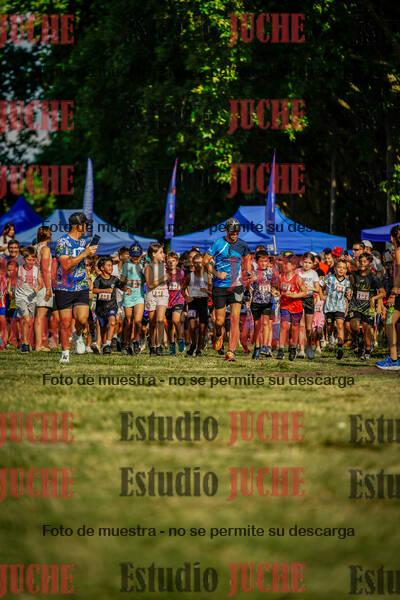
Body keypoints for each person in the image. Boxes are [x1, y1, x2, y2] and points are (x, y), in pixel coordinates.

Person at [203, 217, 251, 361]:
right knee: (219, 321)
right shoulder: (218, 243)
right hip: (219, 286)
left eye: (237, 232)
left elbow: (247, 260)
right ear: (226, 230)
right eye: (232, 232)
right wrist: (217, 274)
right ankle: (218, 334)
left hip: (236, 286)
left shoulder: (242, 244)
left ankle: (231, 351)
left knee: (235, 319)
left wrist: (248, 273)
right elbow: (205, 261)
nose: (234, 234)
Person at [53, 212, 98, 364]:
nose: (87, 227)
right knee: (65, 323)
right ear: (79, 226)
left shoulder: (83, 241)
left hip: (81, 286)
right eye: (85, 224)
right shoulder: (62, 242)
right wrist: (85, 253)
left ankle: (78, 335)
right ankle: (65, 353)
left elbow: (83, 261)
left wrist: (89, 253)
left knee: (83, 319)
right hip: (64, 287)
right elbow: (66, 265)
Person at [348, 252, 385, 360]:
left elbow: (383, 293)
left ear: (370, 263)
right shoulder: (354, 275)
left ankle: (367, 351)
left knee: (367, 329)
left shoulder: (373, 277)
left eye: (365, 261)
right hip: (355, 305)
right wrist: (350, 291)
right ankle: (360, 339)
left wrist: (374, 298)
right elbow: (351, 286)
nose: (362, 263)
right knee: (353, 326)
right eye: (360, 261)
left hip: (368, 307)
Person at [92, 256, 128, 354]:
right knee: (103, 328)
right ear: (102, 268)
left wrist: (127, 289)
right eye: (108, 265)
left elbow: (121, 286)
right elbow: (94, 290)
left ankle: (108, 344)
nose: (111, 267)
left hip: (112, 306)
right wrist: (105, 290)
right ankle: (104, 345)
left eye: (111, 265)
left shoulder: (114, 279)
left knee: (112, 322)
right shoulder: (98, 280)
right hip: (101, 308)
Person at [376, 225, 400, 370]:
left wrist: (393, 293)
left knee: (389, 322)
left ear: (392, 238)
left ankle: (394, 359)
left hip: (398, 294)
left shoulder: (398, 251)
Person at [275, 254, 307, 361]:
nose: (284, 266)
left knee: (294, 328)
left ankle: (293, 348)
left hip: (296, 307)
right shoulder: (280, 277)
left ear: (293, 266)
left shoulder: (298, 278)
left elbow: (304, 292)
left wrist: (294, 295)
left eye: (286, 264)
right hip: (284, 305)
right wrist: (276, 293)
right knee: (284, 325)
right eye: (283, 264)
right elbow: (278, 290)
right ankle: (281, 350)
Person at [319, 259, 351, 360]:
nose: (341, 270)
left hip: (340, 306)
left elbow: (347, 293)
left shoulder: (347, 281)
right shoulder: (329, 277)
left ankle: (340, 348)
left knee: (340, 325)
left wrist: (348, 302)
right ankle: (330, 336)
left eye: (344, 268)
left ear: (346, 270)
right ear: (335, 269)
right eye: (339, 267)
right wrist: (321, 295)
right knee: (329, 326)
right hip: (329, 307)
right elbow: (319, 285)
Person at [182, 252, 211, 357]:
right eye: (196, 263)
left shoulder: (207, 276)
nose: (198, 265)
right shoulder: (190, 276)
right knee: (192, 325)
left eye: (200, 262)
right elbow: (183, 289)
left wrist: (206, 291)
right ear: (193, 264)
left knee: (202, 327)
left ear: (203, 263)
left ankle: (199, 349)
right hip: (193, 302)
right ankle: (193, 345)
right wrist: (187, 297)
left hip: (203, 302)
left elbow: (212, 292)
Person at [15, 246, 43, 353]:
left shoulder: (36, 270)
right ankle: (25, 344)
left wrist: (37, 289)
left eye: (33, 260)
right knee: (26, 319)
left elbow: (41, 284)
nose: (31, 262)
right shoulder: (19, 269)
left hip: (32, 299)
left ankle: (25, 343)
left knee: (29, 322)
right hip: (21, 297)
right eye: (28, 260)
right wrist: (9, 289)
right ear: (24, 259)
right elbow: (12, 280)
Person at [144, 242, 169, 356]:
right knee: (152, 322)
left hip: (163, 295)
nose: (163, 254)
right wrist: (163, 278)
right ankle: (152, 346)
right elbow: (149, 284)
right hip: (152, 295)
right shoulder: (148, 267)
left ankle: (158, 346)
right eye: (161, 252)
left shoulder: (164, 266)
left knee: (160, 320)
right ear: (153, 254)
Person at [250, 250, 276, 360]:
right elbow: (247, 287)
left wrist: (274, 291)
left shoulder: (271, 273)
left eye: (266, 261)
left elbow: (275, 286)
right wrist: (251, 282)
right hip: (256, 302)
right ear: (257, 262)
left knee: (266, 323)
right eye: (261, 261)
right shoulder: (253, 273)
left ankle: (265, 347)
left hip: (268, 302)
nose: (264, 263)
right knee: (257, 326)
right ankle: (257, 348)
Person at [120, 243, 145, 355]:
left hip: (139, 295)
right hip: (128, 295)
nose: (135, 258)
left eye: (137, 256)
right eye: (133, 256)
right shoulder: (126, 265)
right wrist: (128, 283)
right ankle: (126, 344)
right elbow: (122, 280)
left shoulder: (144, 264)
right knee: (128, 321)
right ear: (130, 255)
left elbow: (148, 278)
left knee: (138, 321)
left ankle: (135, 340)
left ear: (141, 255)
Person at [297, 252, 321, 359]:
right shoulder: (297, 272)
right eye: (305, 262)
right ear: (302, 262)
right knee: (301, 325)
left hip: (309, 299)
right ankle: (301, 350)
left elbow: (318, 289)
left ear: (313, 264)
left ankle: (309, 347)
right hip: (299, 299)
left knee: (308, 327)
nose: (307, 264)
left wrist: (310, 288)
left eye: (309, 263)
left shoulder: (314, 274)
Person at [34, 225, 53, 352]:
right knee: (41, 315)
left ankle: (37, 342)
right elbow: (45, 269)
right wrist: (48, 288)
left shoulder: (35, 247)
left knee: (37, 314)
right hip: (43, 283)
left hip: (35, 282)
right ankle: (38, 345)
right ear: (48, 235)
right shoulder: (45, 249)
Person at [165, 251, 185, 355]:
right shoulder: (164, 273)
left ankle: (180, 339)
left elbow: (185, 285)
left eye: (173, 261)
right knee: (169, 326)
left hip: (179, 300)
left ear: (177, 262)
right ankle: (172, 345)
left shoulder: (181, 273)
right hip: (167, 301)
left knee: (176, 320)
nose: (171, 263)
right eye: (169, 261)